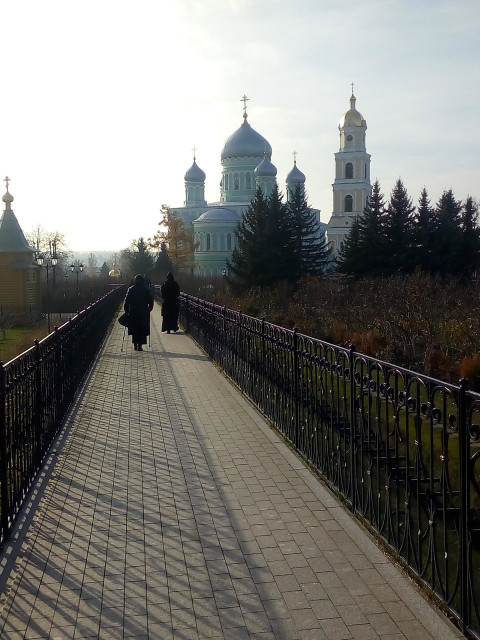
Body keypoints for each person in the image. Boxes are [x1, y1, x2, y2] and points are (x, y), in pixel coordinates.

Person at [124, 274, 154, 351]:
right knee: (142, 328)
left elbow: (126, 301)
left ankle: (135, 344)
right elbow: (150, 300)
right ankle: (140, 345)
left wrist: (126, 311)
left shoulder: (131, 289)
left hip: (133, 311)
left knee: (135, 328)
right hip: (143, 312)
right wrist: (150, 309)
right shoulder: (146, 289)